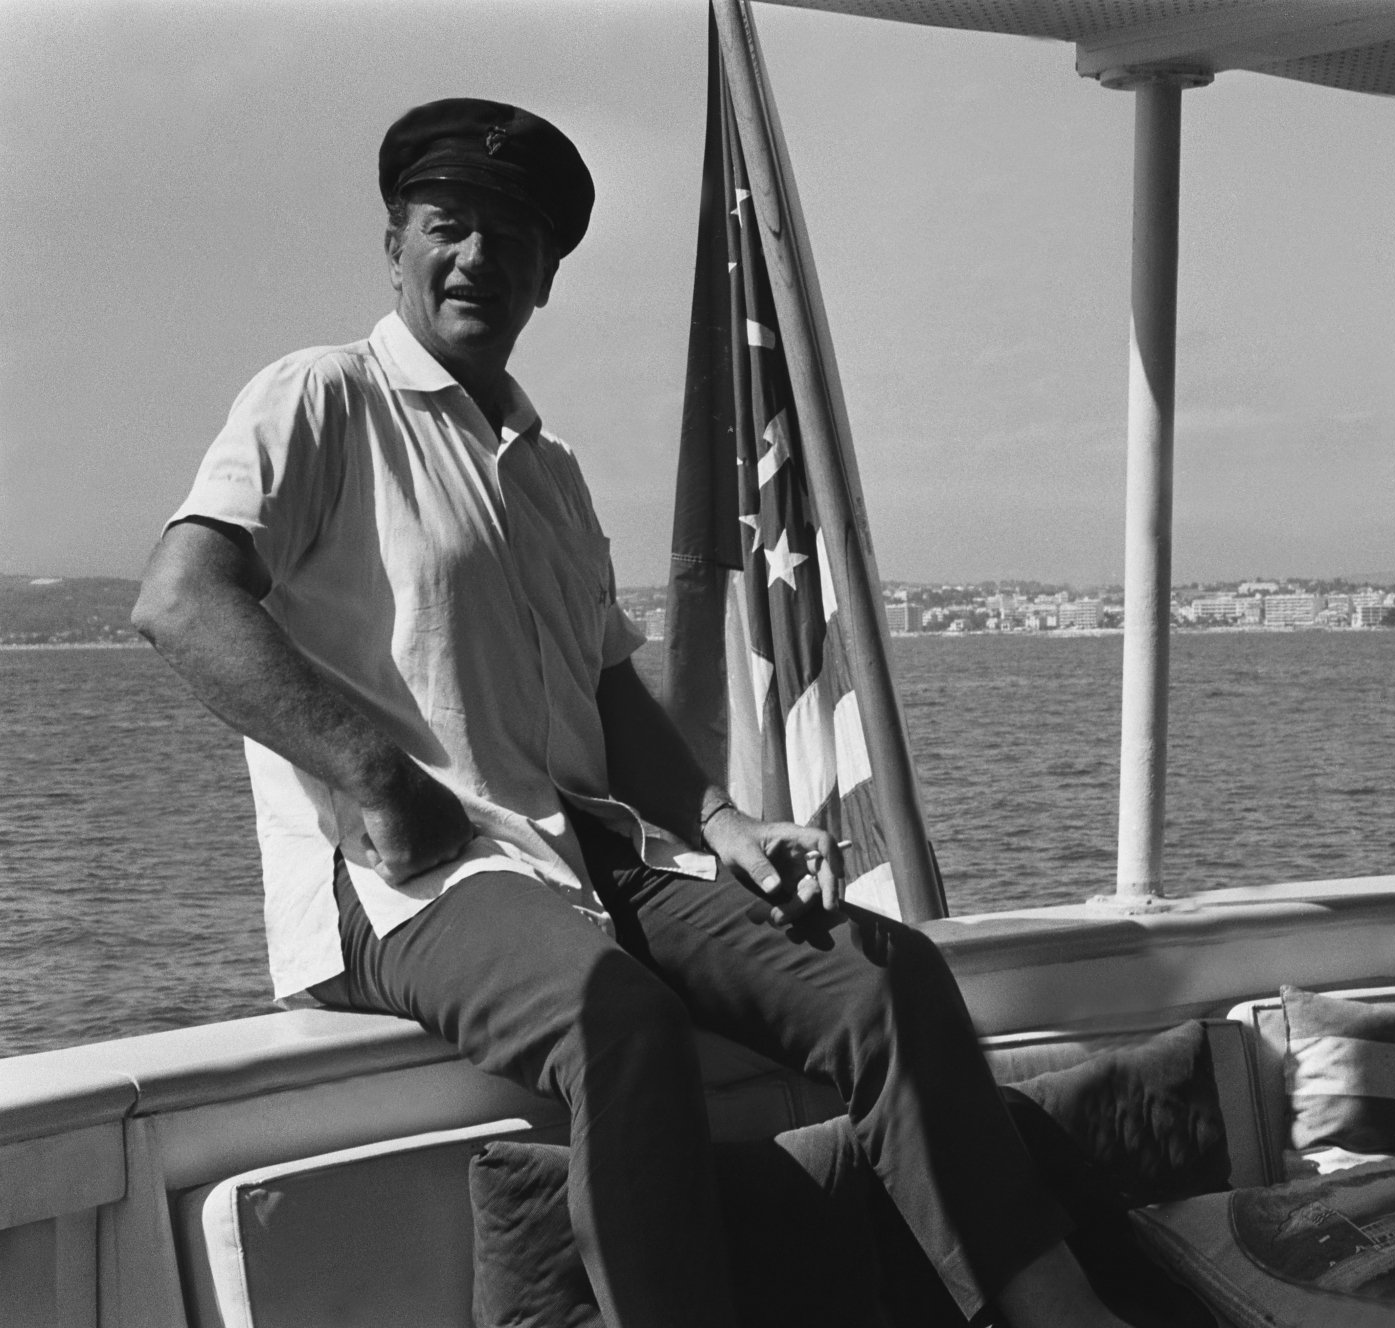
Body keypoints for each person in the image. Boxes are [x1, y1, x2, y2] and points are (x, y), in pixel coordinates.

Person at [133, 98, 1130, 1328]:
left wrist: (723, 818)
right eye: (450, 227)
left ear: (548, 276)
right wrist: (375, 774)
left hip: (584, 851)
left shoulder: (546, 469)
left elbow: (607, 684)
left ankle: (1055, 1308)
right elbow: (183, 600)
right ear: (393, 242)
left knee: (885, 976)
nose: (479, 260)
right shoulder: (324, 397)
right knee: (619, 1020)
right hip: (413, 874)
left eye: (514, 240)